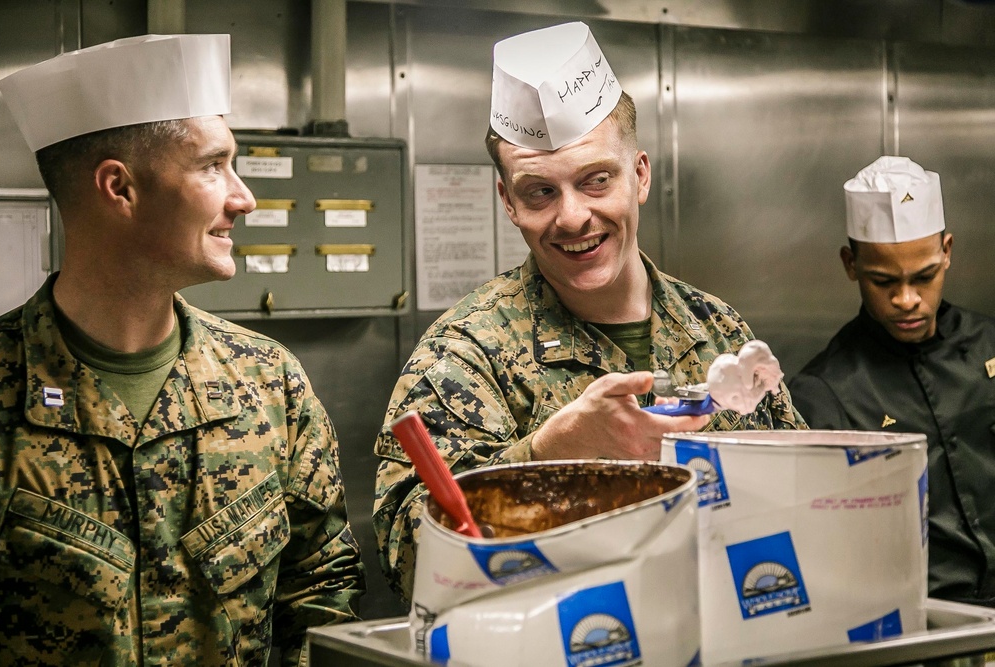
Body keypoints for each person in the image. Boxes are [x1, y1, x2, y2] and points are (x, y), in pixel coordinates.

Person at [373, 22, 805, 604]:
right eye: (539, 192)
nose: (573, 217)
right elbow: (409, 558)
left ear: (641, 175)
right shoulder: (463, 354)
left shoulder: (716, 329)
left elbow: (801, 500)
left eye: (596, 180)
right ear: (507, 201)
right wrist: (547, 457)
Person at [0, 34, 364, 666]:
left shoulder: (269, 384)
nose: (243, 197)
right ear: (121, 188)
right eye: (212, 165)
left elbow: (320, 597)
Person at [789, 155, 995, 606]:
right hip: (923, 623)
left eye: (924, 278)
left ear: (948, 252)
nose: (907, 300)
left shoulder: (989, 346)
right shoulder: (825, 392)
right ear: (851, 264)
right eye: (883, 281)